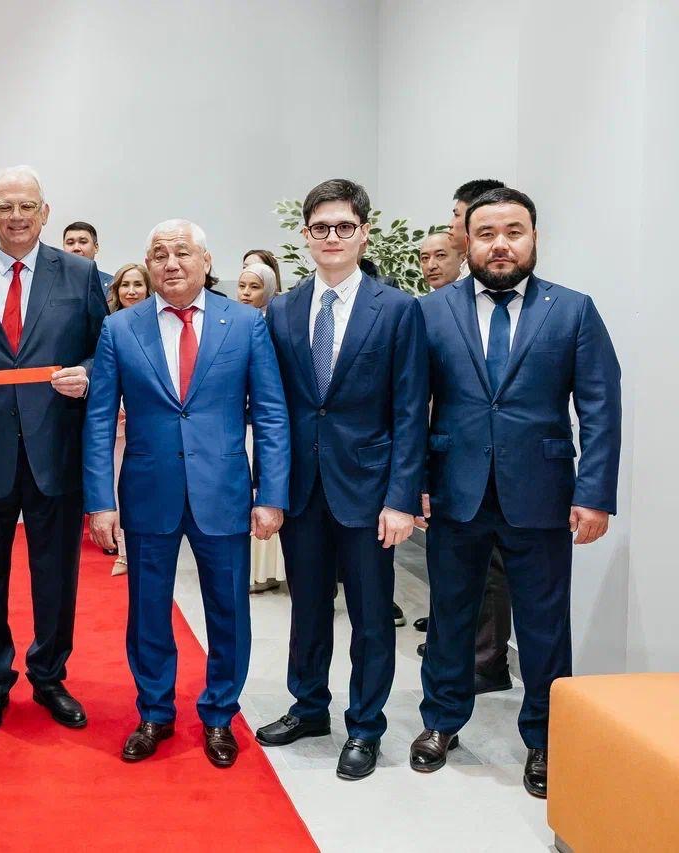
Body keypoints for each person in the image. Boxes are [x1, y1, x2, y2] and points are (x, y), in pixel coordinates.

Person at [412, 188, 621, 800]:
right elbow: (410, 407)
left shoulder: (573, 310)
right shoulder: (431, 312)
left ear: (534, 237)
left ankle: (546, 738)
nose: (500, 244)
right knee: (450, 615)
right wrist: (413, 483)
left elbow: (600, 407)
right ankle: (441, 720)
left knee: (544, 624)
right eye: (486, 234)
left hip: (542, 493)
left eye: (514, 232)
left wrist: (595, 493)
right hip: (454, 491)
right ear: (466, 241)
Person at [85, 219, 290, 767]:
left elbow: (271, 414)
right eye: (159, 254)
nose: (170, 263)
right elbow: (99, 419)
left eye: (182, 252)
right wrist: (100, 500)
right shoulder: (120, 329)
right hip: (147, 491)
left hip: (223, 492)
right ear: (148, 264)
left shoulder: (244, 324)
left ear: (206, 261)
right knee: (147, 611)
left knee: (228, 610)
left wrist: (270, 494)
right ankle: (154, 711)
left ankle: (219, 712)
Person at [256, 179, 429, 782]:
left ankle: (364, 726)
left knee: (371, 616)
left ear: (363, 234)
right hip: (303, 488)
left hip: (369, 490)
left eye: (344, 227)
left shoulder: (398, 309)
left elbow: (410, 409)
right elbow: (274, 407)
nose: (332, 236)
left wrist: (401, 498)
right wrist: (269, 489)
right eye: (320, 227)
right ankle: (309, 708)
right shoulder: (282, 309)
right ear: (306, 236)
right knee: (306, 609)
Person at [0, 165, 107, 736]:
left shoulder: (80, 274)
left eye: (26, 206)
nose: (16, 216)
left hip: (55, 448)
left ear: (44, 212)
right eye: (5, 206)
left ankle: (50, 674)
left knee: (56, 574)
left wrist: (86, 374)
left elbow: (103, 350)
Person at [415, 178, 514, 697]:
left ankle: (488, 659)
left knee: (495, 572)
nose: (454, 225)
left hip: (513, 472)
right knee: (455, 581)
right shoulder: (434, 308)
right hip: (454, 468)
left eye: (457, 216)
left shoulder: (546, 306)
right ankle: (447, 698)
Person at [235, 262, 287, 593]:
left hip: (262, 427)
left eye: (254, 287)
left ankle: (268, 573)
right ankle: (250, 573)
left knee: (265, 497)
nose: (245, 293)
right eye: (241, 286)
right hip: (241, 428)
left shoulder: (277, 327)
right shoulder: (231, 324)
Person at [105, 263, 153, 576]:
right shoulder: (109, 326)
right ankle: (123, 553)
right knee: (117, 487)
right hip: (117, 425)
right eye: (125, 285)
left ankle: (145, 550)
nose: (131, 291)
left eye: (138, 284)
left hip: (148, 424)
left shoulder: (157, 325)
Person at [63, 220, 114, 296]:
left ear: (96, 247)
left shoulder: (112, 285)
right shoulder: (50, 281)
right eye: (70, 243)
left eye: (83, 242)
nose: (76, 248)